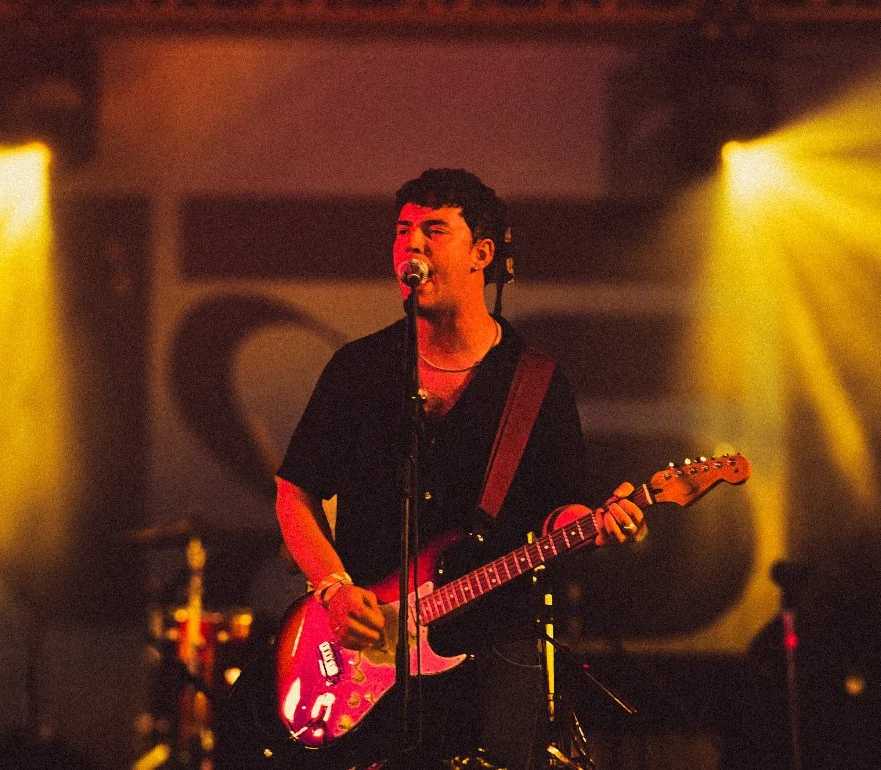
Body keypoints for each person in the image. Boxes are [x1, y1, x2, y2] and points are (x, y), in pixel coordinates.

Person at [273, 169, 647, 768]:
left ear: (482, 254)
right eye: (402, 231)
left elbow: (564, 508)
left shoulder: (536, 383)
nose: (411, 245)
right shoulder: (359, 369)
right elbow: (295, 492)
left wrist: (600, 523)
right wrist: (333, 587)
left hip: (492, 655)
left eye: (433, 230)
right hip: (362, 655)